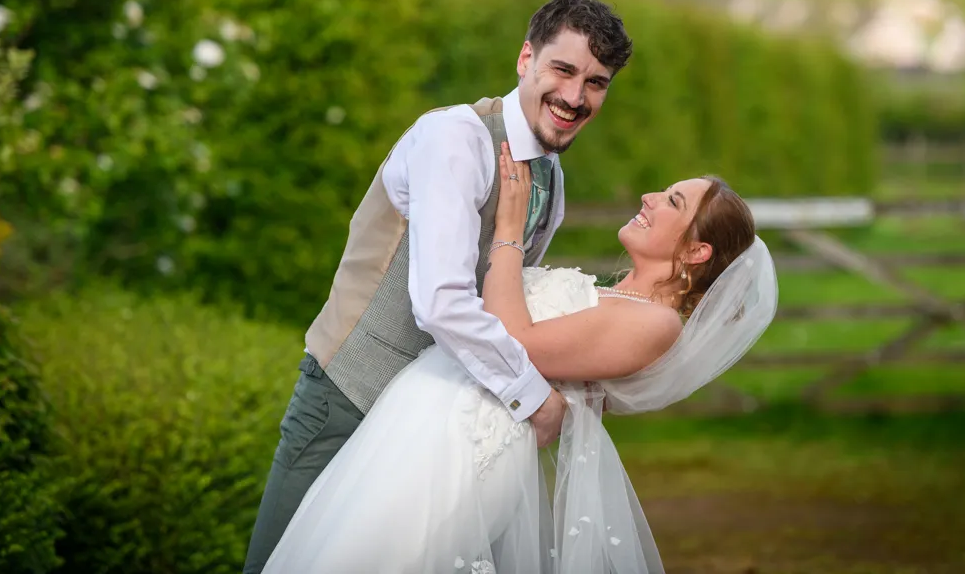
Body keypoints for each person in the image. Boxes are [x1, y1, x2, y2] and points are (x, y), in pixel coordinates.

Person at [242, 0, 635, 574]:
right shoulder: (454, 138)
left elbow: (507, 304)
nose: (576, 97)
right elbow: (441, 302)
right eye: (564, 69)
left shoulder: (550, 180)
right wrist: (534, 398)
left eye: (597, 83)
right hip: (351, 398)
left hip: (437, 429)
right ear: (526, 58)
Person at [261, 146, 779, 574]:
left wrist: (509, 230)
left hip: (464, 447)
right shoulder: (625, 300)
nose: (648, 198)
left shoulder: (656, 324)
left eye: (671, 201)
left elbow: (511, 339)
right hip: (428, 421)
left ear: (695, 253)